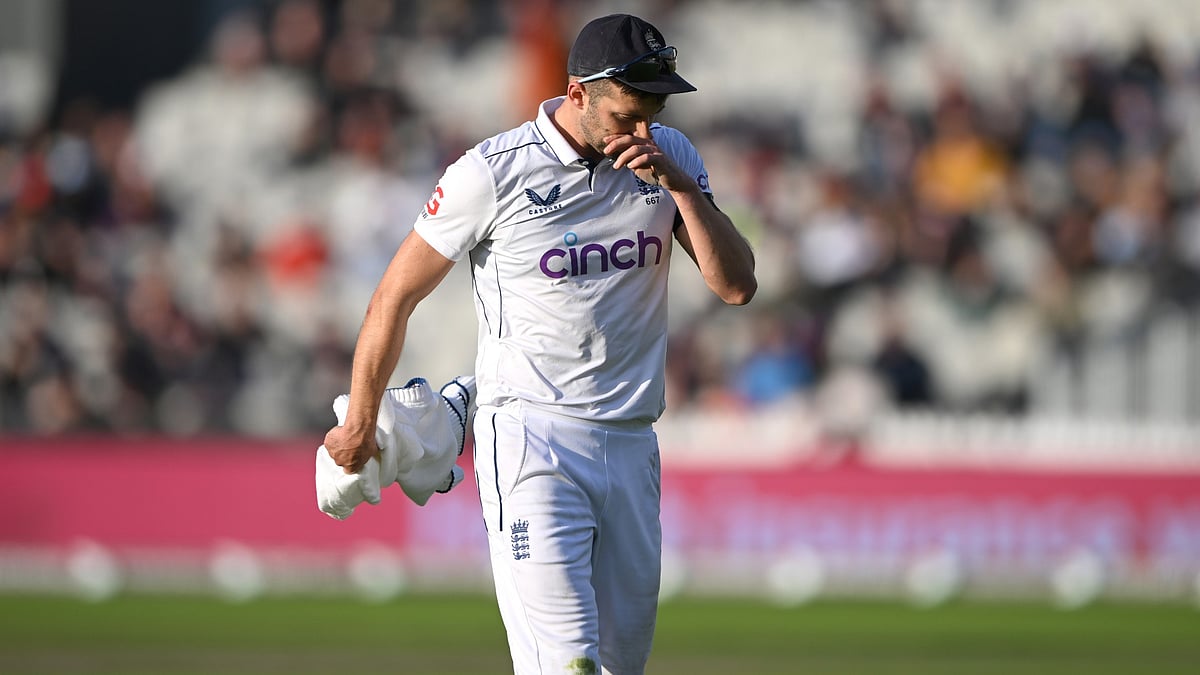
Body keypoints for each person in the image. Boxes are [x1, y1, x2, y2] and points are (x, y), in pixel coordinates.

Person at [323, 13, 756, 674]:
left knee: (617, 668)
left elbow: (737, 285)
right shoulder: (492, 173)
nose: (642, 130)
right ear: (578, 94)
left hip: (633, 441)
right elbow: (394, 296)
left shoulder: (670, 156)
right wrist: (359, 417)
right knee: (565, 663)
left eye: (655, 110)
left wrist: (678, 186)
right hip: (532, 439)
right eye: (626, 113)